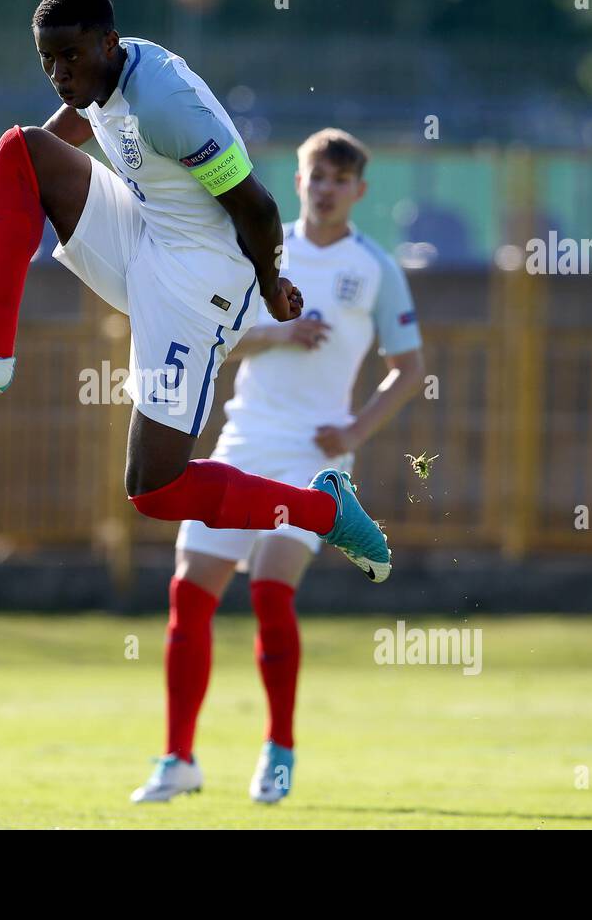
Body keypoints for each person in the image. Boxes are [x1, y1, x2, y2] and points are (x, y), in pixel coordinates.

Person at [0, 0, 391, 614]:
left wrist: (273, 286)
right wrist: (14, 193)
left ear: (108, 43)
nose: (60, 73)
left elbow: (258, 206)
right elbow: (58, 139)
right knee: (20, 150)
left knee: (154, 490)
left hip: (202, 285)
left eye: (72, 57)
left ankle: (325, 509)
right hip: (145, 235)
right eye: (48, 61)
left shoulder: (164, 103)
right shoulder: (98, 80)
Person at [132, 128, 425, 804]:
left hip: (312, 454)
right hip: (243, 440)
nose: (325, 189)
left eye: (339, 180)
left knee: (269, 590)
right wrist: (280, 331)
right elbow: (220, 338)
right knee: (189, 596)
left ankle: (280, 749)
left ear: (360, 191)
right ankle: (179, 757)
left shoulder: (376, 267)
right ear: (297, 180)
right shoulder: (261, 249)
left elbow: (410, 368)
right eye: (315, 176)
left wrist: (353, 428)